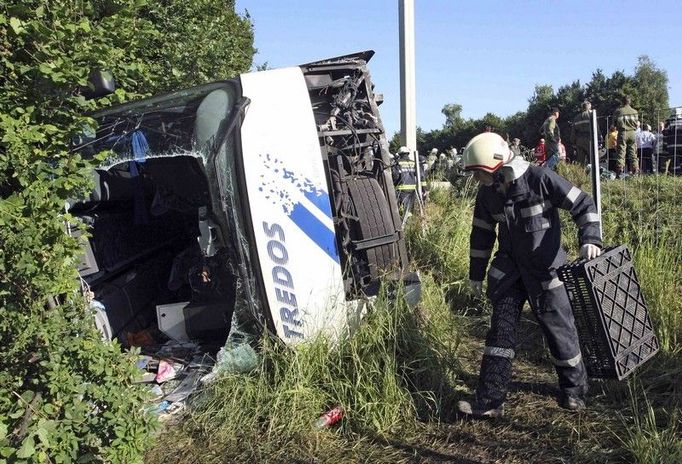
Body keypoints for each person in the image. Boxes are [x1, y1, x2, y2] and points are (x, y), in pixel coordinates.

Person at [456, 132, 602, 418]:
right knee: (501, 330)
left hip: (545, 271)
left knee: (559, 330)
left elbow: (583, 204)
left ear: (498, 168)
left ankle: (574, 391)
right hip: (509, 273)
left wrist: (591, 239)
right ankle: (489, 401)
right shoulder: (487, 194)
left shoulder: (541, 179)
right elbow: (481, 236)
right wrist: (476, 275)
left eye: (478, 174)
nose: (476, 180)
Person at [612, 95, 639, 176]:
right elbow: (637, 124)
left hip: (623, 132)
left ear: (622, 101)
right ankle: (635, 169)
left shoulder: (618, 111)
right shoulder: (635, 112)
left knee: (621, 151)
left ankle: (619, 170)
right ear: (629, 102)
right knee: (633, 151)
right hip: (632, 133)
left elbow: (614, 124)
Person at [392, 146, 417, 213]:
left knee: (402, 208)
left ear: (400, 154)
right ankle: (411, 221)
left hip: (402, 188)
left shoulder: (398, 162)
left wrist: (394, 184)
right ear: (408, 153)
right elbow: (417, 174)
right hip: (412, 188)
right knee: (410, 208)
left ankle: (403, 221)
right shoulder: (413, 162)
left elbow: (395, 176)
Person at [571, 101, 593, 165]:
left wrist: (573, 142)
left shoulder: (576, 117)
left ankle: (581, 174)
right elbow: (596, 128)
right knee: (592, 160)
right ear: (589, 107)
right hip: (589, 140)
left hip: (579, 141)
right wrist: (600, 138)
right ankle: (591, 174)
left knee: (580, 162)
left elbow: (573, 132)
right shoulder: (591, 115)